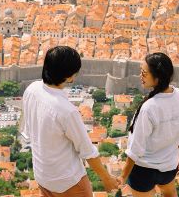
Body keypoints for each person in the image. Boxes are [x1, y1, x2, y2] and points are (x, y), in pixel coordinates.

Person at [21, 46, 119, 196]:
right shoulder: (66, 111)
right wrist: (106, 178)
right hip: (67, 182)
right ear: (70, 76)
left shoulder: (31, 90)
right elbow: (87, 151)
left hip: (42, 175)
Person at [118, 53, 179, 197]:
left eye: (144, 73)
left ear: (157, 78)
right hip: (169, 167)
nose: (140, 76)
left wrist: (122, 176)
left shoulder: (149, 107)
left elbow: (135, 149)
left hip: (143, 170)